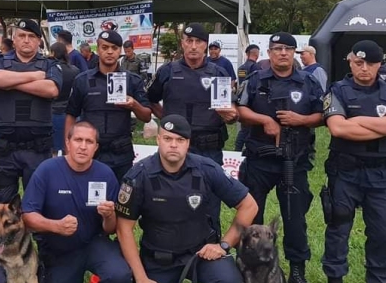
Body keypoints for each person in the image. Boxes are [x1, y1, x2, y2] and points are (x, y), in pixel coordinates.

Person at [115, 115, 258, 283]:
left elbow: (249, 205)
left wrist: (223, 245)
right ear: (158, 140)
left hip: (199, 254)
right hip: (159, 260)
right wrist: (141, 281)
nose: (173, 144)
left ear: (188, 143)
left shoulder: (205, 169)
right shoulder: (138, 176)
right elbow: (124, 230)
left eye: (180, 140)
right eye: (168, 138)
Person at [321, 40, 386, 283]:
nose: (364, 68)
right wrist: (385, 127)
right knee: (339, 229)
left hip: (381, 173)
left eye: (370, 63)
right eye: (359, 63)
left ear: (379, 64)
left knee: (383, 232)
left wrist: (357, 122)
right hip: (345, 171)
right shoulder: (337, 90)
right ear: (350, 61)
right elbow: (338, 129)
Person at [236, 32, 324, 283]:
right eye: (277, 49)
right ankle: (249, 271)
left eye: (288, 49)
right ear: (270, 53)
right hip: (259, 161)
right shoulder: (255, 80)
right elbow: (240, 109)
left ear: (295, 53)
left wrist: (301, 119)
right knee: (253, 220)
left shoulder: (308, 82)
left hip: (293, 162)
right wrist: (264, 120)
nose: (282, 53)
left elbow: (325, 115)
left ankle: (297, 274)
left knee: (295, 220)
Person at [22, 122, 133, 283]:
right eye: (78, 140)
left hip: (94, 244)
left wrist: (109, 216)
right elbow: (28, 217)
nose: (83, 146)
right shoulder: (47, 170)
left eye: (89, 141)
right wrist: (55, 226)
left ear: (96, 147)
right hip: (59, 250)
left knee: (119, 275)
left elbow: (110, 229)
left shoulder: (105, 174)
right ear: (67, 143)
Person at [0, 19, 62, 202]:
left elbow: (51, 89)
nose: (26, 40)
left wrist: (11, 84)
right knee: (3, 204)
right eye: (22, 36)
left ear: (38, 41)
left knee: (37, 203)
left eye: (31, 36)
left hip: (37, 148)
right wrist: (34, 76)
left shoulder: (49, 64)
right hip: (5, 150)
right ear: (14, 39)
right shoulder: (1, 61)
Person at [147, 23, 237, 165]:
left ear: (205, 45)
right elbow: (150, 100)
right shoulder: (167, 71)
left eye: (198, 41)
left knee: (208, 186)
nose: (193, 46)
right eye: (189, 41)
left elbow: (230, 112)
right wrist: (167, 119)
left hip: (209, 149)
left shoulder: (218, 74)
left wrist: (232, 116)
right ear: (183, 43)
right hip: (176, 146)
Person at [66, 30, 152, 180]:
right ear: (98, 50)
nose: (110, 52)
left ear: (120, 51)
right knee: (87, 201)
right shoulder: (82, 80)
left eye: (114, 48)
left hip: (121, 154)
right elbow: (71, 114)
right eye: (105, 47)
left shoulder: (132, 80)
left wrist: (134, 105)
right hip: (90, 153)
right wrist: (68, 147)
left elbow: (146, 116)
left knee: (120, 201)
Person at [49, 43, 80, 154]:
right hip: (71, 113)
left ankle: (55, 171)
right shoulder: (75, 70)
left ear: (53, 53)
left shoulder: (50, 69)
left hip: (53, 111)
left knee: (53, 150)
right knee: (70, 147)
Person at [234, 44, 261, 151]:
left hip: (241, 100)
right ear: (257, 54)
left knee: (244, 128)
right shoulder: (257, 68)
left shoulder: (241, 68)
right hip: (253, 102)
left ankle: (238, 149)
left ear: (246, 54)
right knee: (250, 129)